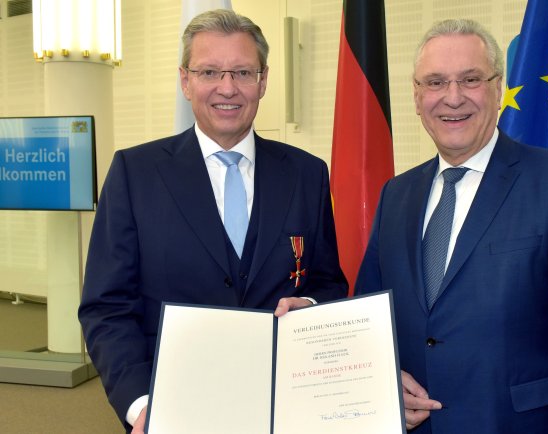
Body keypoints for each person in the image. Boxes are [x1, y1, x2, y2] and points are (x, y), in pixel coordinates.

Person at [78, 9, 347, 434]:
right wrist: (141, 406)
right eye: (209, 72)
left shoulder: (307, 173)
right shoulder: (135, 173)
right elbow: (107, 307)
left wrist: (310, 307)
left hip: (285, 406)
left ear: (263, 80)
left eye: (242, 71)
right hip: (170, 408)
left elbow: (327, 283)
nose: (227, 88)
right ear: (186, 81)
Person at [355, 19, 548, 434]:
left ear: (498, 88)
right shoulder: (396, 196)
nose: (453, 97)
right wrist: (381, 380)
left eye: (471, 79)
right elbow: (369, 322)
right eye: (435, 82)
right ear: (416, 95)